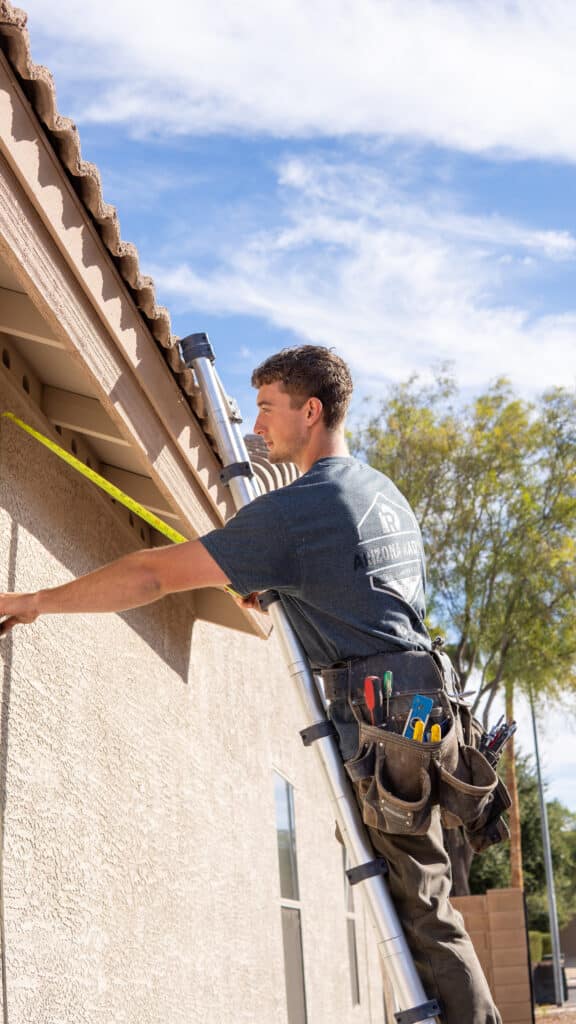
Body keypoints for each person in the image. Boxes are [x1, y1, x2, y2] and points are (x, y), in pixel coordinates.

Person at [0, 345, 501, 1023]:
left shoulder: (298, 510)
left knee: (423, 904)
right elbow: (360, 594)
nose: (257, 425)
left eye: (267, 407)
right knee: (417, 898)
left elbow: (151, 574)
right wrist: (278, 596)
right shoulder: (378, 492)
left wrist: (32, 601)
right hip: (423, 707)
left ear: (310, 410)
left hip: (384, 713)